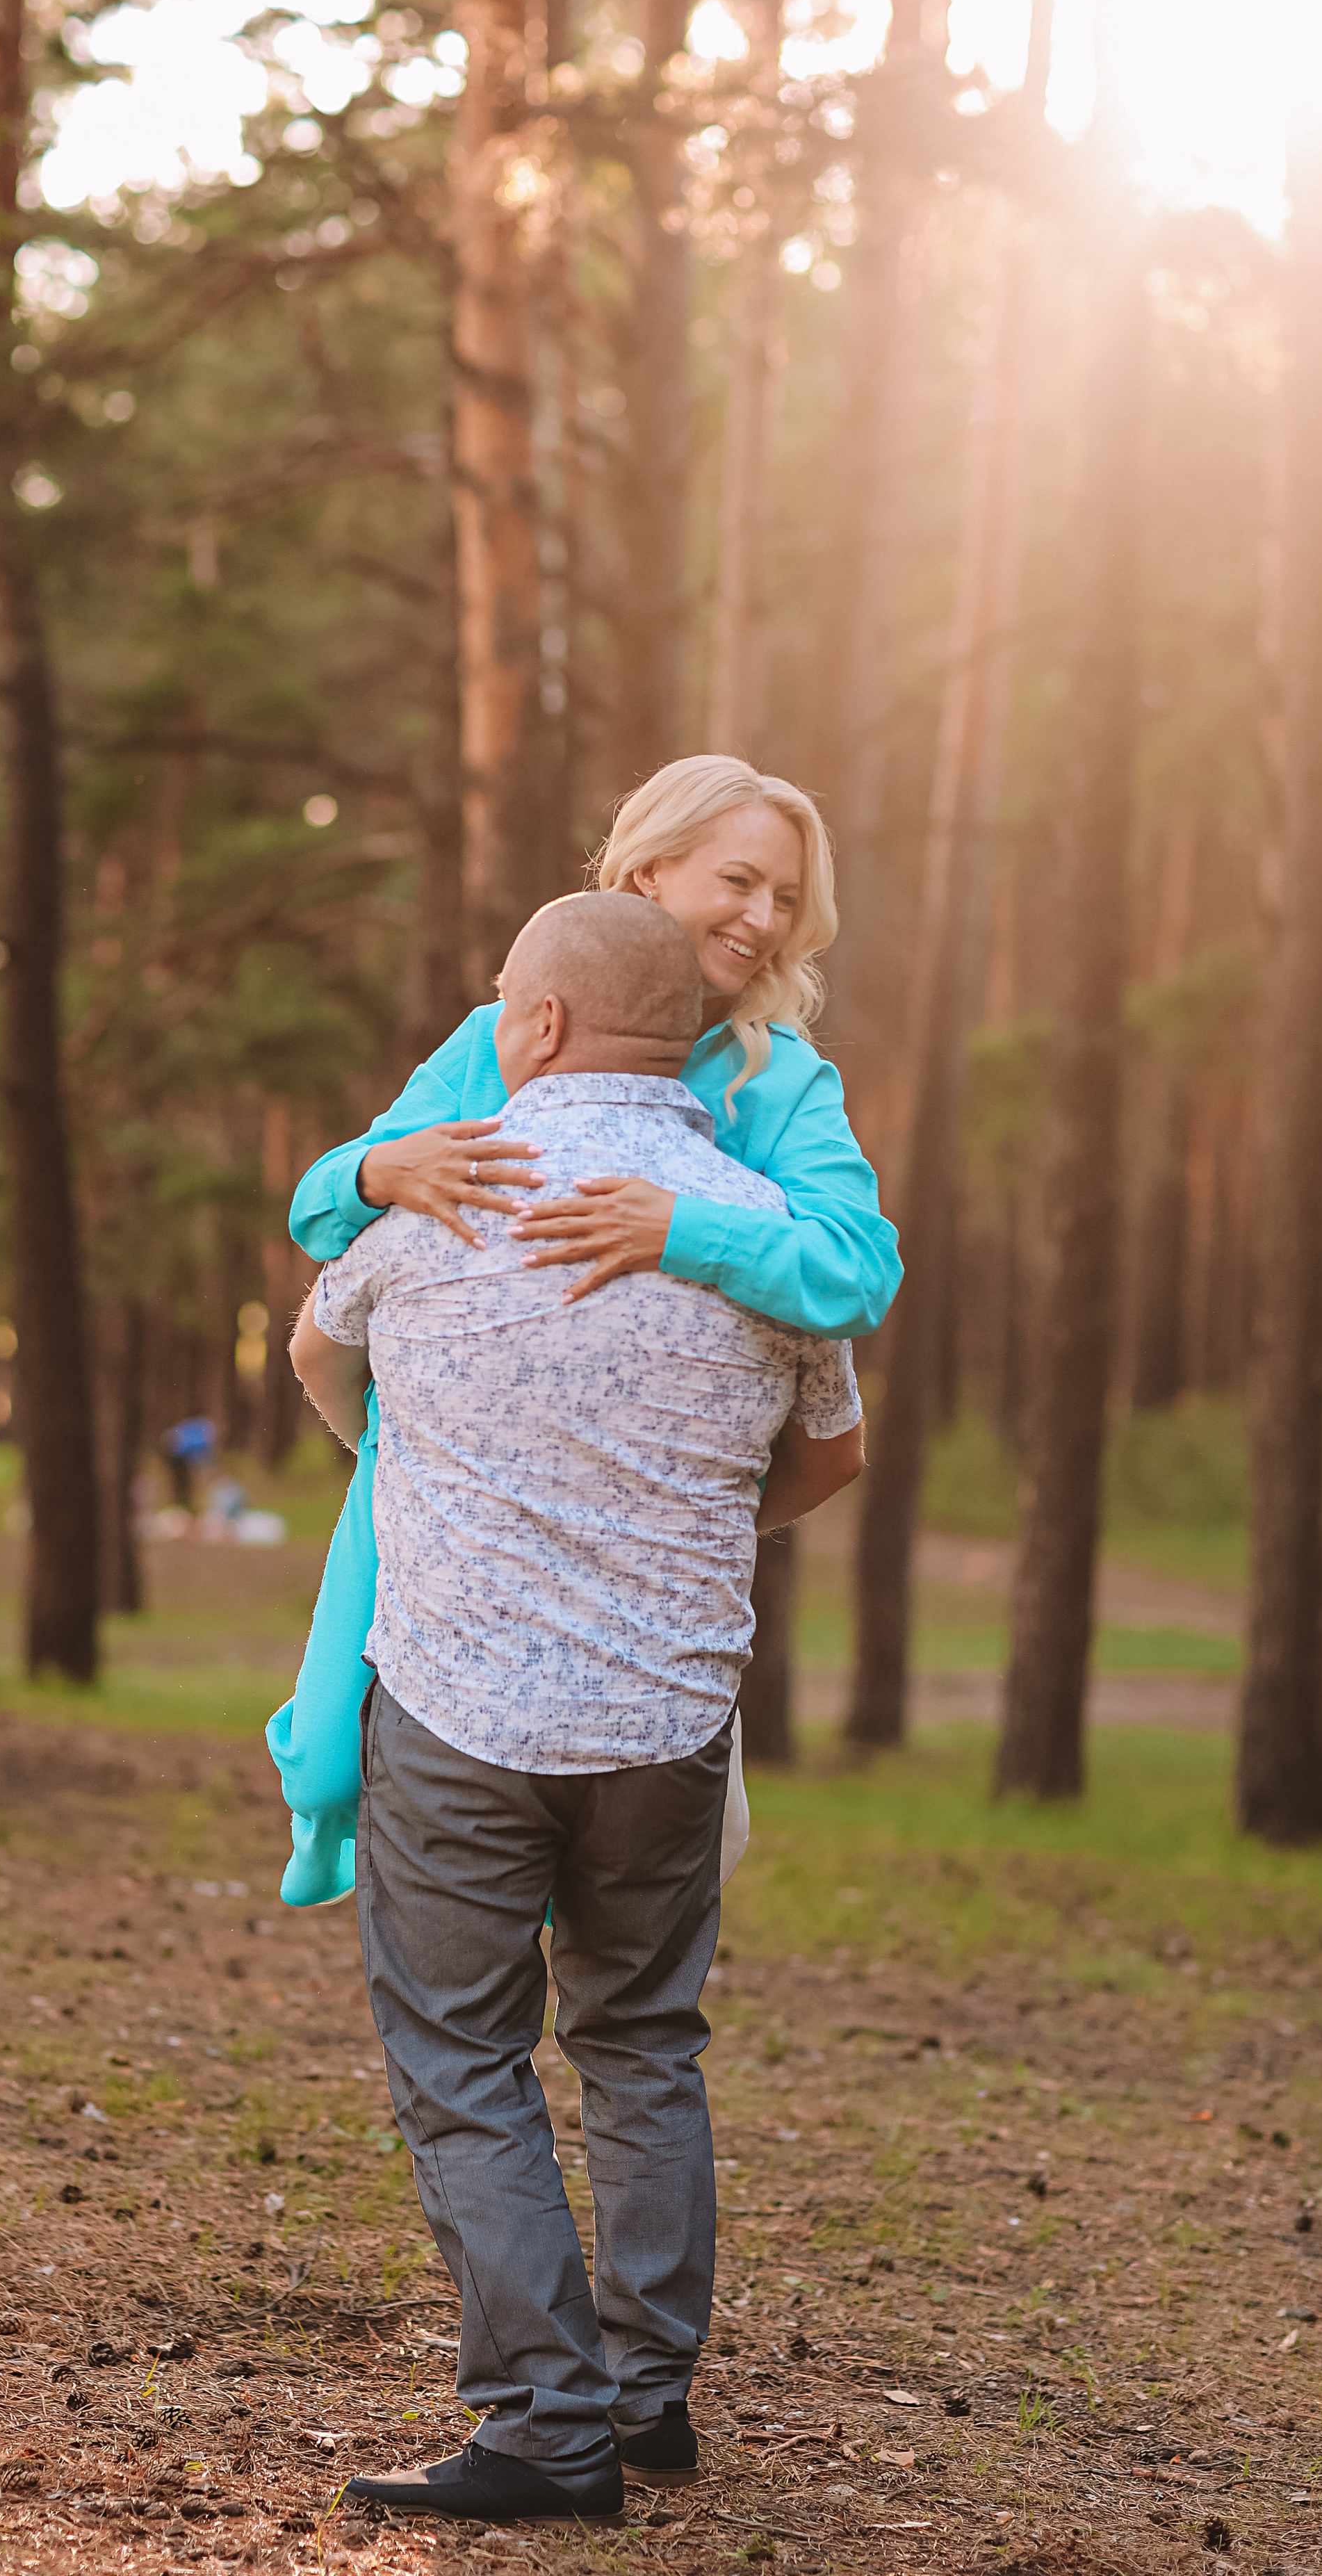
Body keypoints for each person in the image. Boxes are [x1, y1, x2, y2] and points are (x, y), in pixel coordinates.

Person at [289, 893, 865, 2521]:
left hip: (458, 1712)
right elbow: (831, 1455)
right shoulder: (751, 1222)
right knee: (640, 2039)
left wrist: (446, 1488)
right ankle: (643, 2394)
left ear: (531, 1027)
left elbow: (319, 1360)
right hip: (667, 1717)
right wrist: (658, 1521)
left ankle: (546, 2423)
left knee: (464, 2055)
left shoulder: (440, 1197)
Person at [268, 756, 899, 1906]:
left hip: (657, 1519)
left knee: (651, 1870)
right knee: (323, 1750)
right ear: (649, 872)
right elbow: (320, 1216)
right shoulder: (497, 1036)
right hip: (460, 1483)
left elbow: (857, 1272)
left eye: (787, 901)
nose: (764, 921)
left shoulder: (783, 1086)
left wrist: (682, 1230)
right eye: (741, 881)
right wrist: (373, 1168)